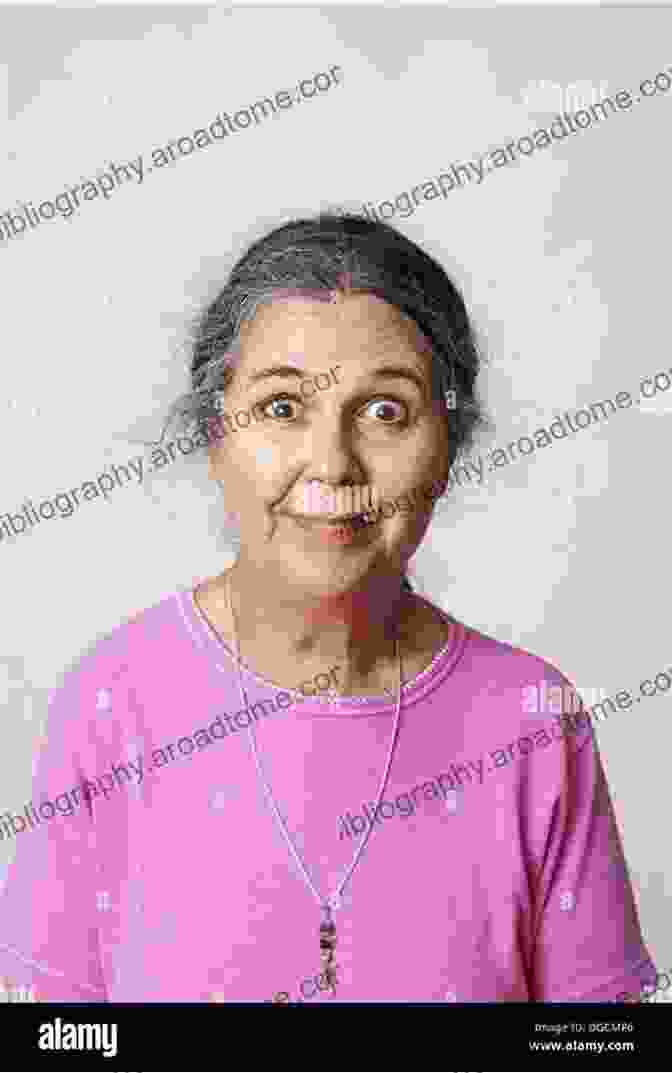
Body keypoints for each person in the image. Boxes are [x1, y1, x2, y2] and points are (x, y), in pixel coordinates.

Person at [0, 213, 657, 1002]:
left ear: (451, 444)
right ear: (215, 435)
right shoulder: (112, 702)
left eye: (386, 411)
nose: (333, 461)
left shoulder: (534, 720)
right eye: (282, 408)